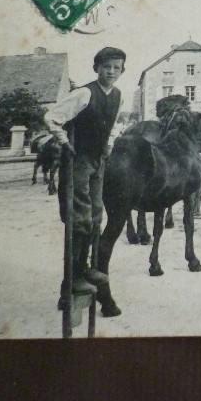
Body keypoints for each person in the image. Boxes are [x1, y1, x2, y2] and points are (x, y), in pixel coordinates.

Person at [44, 46, 125, 295]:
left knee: (95, 217)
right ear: (96, 68)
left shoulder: (118, 95)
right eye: (106, 67)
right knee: (79, 217)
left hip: (98, 161)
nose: (111, 71)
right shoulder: (83, 94)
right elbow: (52, 117)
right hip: (78, 160)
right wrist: (65, 142)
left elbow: (113, 124)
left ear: (122, 70)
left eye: (116, 68)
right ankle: (74, 277)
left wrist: (109, 144)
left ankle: (86, 268)